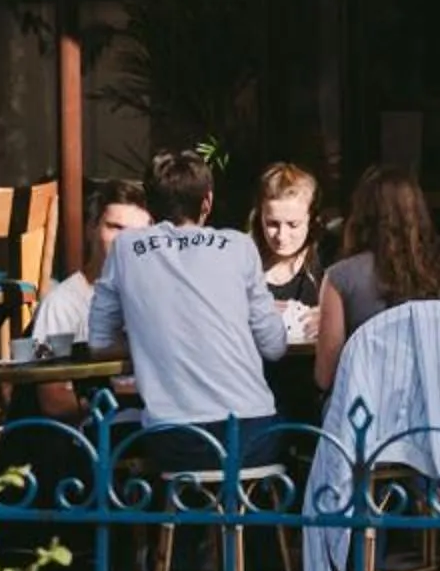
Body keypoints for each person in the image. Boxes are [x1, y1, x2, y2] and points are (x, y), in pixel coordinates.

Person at [84, 149, 287, 476]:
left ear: (150, 206)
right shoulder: (240, 246)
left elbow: (99, 343)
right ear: (207, 202)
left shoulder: (126, 248)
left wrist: (154, 341)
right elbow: (274, 347)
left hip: (178, 440)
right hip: (251, 436)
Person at [312, 166, 440, 395]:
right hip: (432, 407)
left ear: (361, 214)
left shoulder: (340, 277)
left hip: (363, 409)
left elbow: (325, 376)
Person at [22, 177, 150, 422]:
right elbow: (53, 401)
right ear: (91, 228)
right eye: (115, 228)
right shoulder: (60, 304)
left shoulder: (156, 302)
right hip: (94, 436)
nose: (126, 241)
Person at [252, 162, 325, 307]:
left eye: (293, 225)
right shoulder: (243, 262)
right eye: (272, 224)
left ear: (311, 219)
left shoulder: (328, 261)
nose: (281, 236)